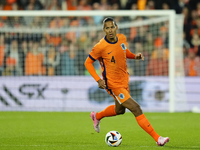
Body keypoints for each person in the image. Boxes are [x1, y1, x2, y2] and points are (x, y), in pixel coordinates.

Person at [84, 17, 169, 146]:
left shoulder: (122, 38)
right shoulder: (100, 46)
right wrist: (98, 80)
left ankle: (97, 116)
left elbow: (123, 51)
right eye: (107, 28)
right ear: (104, 30)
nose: (110, 30)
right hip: (112, 84)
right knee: (136, 108)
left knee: (120, 111)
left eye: (112, 27)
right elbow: (88, 62)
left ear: (116, 27)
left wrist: (134, 56)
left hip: (124, 81)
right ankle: (158, 138)